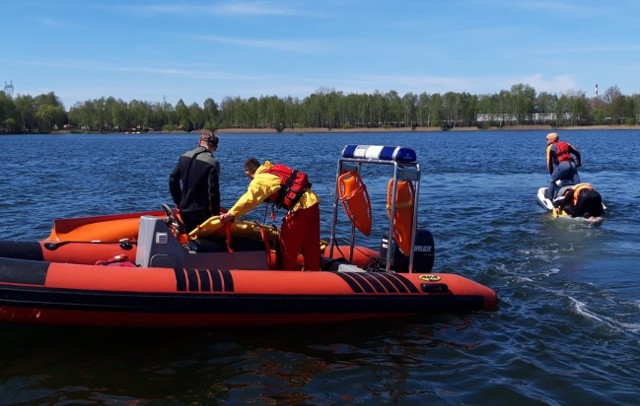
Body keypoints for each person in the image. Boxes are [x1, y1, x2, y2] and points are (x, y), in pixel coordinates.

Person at [219, 157, 321, 271]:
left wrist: (231, 214)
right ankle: (314, 273)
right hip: (312, 202)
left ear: (248, 173)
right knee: (310, 243)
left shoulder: (260, 179)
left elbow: (249, 199)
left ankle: (287, 277)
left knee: (286, 244)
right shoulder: (271, 169)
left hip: (301, 208)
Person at [169, 130, 221, 232]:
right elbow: (213, 193)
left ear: (199, 142)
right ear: (215, 148)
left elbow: (172, 180)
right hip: (201, 212)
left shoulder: (184, 157)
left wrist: (179, 202)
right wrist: (216, 216)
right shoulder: (213, 163)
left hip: (184, 209)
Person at [545, 132, 582, 199]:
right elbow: (577, 153)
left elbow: (549, 163)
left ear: (551, 139)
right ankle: (579, 197)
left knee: (551, 181)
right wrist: (578, 163)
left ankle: (549, 198)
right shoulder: (566, 144)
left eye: (547, 139)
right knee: (577, 183)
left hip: (563, 165)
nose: (546, 141)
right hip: (572, 164)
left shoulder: (549, 147)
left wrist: (551, 174)